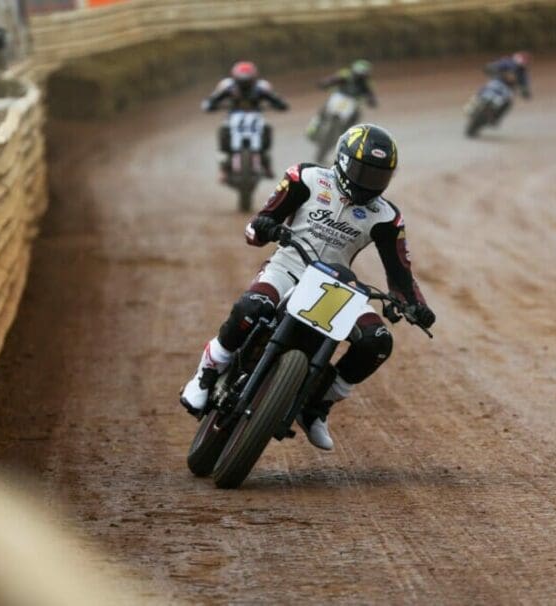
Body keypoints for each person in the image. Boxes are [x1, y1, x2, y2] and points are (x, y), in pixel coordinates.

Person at [180, 124, 436, 451]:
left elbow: (400, 275)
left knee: (378, 342)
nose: (367, 182)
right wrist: (265, 227)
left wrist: (415, 305)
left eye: (377, 176)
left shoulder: (388, 217)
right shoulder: (306, 177)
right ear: (342, 161)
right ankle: (207, 372)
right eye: (361, 171)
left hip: (336, 285)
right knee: (251, 307)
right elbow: (257, 227)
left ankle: (317, 405)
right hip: (289, 265)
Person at [201, 61, 289, 179]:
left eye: (247, 81)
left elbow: (276, 99)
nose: (245, 85)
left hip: (256, 117)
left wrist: (280, 105)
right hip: (233, 118)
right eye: (242, 82)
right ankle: (223, 167)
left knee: (267, 128)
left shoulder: (261, 87)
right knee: (223, 129)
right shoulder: (228, 86)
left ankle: (266, 163)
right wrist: (209, 105)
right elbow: (212, 99)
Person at [306, 59, 377, 140]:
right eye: (359, 73)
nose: (360, 76)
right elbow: (334, 79)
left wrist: (371, 101)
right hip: (339, 96)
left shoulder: (367, 83)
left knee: (356, 116)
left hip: (352, 102)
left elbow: (370, 94)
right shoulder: (346, 74)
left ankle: (347, 134)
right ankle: (314, 127)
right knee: (323, 111)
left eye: (363, 74)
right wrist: (324, 83)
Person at [483, 51, 532, 125]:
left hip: (507, 89)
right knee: (485, 89)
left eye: (525, 61)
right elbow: (492, 66)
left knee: (508, 103)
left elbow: (525, 84)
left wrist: (525, 92)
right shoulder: (506, 62)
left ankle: (495, 118)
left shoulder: (523, 73)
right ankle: (479, 102)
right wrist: (492, 69)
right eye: (523, 60)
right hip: (497, 82)